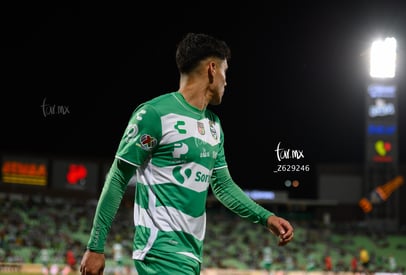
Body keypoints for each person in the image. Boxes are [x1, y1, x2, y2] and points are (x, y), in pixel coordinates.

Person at [80, 32, 294, 275]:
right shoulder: (154, 114)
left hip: (190, 256)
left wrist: (266, 218)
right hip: (159, 252)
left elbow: (223, 186)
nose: (227, 81)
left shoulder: (214, 126)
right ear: (212, 69)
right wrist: (95, 247)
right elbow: (118, 177)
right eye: (226, 71)